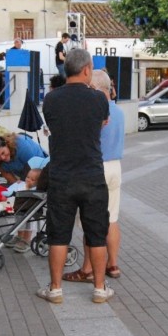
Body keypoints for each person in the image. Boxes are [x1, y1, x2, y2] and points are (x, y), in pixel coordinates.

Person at [37, 48, 112, 305]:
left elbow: (54, 125)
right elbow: (103, 123)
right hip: (92, 175)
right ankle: (100, 289)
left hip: (61, 176)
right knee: (96, 234)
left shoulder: (51, 99)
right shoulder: (99, 99)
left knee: (58, 234)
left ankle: (55, 289)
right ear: (87, 70)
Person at [64, 70, 125, 282]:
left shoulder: (94, 111)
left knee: (91, 222)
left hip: (96, 168)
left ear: (94, 87)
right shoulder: (119, 111)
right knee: (112, 219)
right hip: (115, 166)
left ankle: (87, 268)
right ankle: (113, 264)